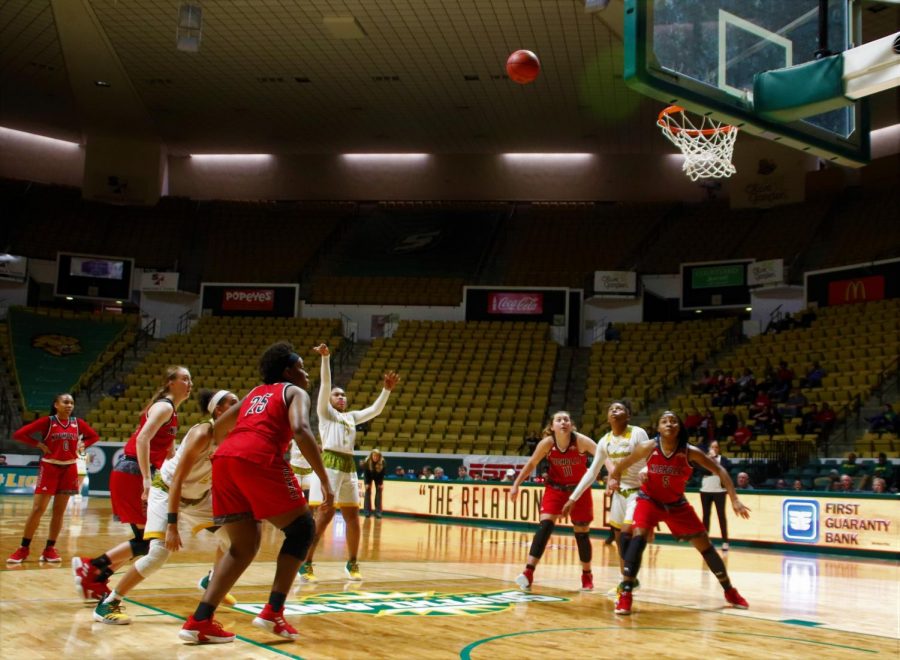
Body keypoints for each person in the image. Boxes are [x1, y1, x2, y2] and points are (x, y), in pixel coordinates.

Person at [179, 341, 333, 644]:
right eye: (301, 368)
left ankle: (199, 620)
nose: (306, 375)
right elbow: (301, 429)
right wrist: (324, 479)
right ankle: (273, 611)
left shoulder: (253, 394)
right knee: (302, 529)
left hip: (224, 459)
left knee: (243, 547)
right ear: (288, 371)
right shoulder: (294, 392)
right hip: (258, 456)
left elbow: (217, 429)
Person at [93, 389, 240, 624]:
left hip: (199, 497)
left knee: (235, 541)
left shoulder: (234, 436)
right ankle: (110, 602)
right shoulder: (203, 433)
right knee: (159, 554)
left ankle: (213, 579)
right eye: (232, 402)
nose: (239, 404)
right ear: (219, 410)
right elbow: (178, 480)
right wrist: (172, 525)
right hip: (168, 490)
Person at [608, 411, 750, 615]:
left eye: (673, 421)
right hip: (650, 500)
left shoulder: (690, 451)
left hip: (676, 504)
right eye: (664, 421)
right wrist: (614, 477)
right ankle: (626, 593)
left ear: (679, 427)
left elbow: (720, 470)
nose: (669, 423)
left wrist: (734, 498)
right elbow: (623, 463)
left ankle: (730, 591)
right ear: (658, 428)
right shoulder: (648, 447)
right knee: (637, 537)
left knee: (705, 545)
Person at [73, 366, 192, 601]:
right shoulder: (163, 407)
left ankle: (96, 578)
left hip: (137, 474)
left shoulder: (172, 412)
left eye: (190, 379)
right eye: (184, 379)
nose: (190, 383)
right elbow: (142, 439)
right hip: (133, 473)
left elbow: (170, 456)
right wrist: (148, 480)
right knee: (148, 542)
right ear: (170, 382)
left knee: (146, 542)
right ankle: (91, 566)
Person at [301, 343, 399, 584]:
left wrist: (386, 391)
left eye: (344, 394)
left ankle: (352, 562)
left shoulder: (351, 417)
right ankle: (306, 563)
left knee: (353, 517)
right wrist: (326, 358)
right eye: (337, 394)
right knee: (323, 516)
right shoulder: (325, 412)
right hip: (330, 463)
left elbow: (375, 410)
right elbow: (325, 384)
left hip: (348, 465)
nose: (341, 397)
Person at [562, 400, 649, 595]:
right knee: (619, 539)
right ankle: (626, 580)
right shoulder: (605, 441)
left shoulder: (637, 433)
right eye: (611, 408)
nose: (615, 410)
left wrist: (645, 469)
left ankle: (629, 581)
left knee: (627, 536)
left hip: (638, 492)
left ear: (628, 416)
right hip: (619, 495)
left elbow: (650, 457)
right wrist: (573, 498)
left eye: (620, 408)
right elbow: (591, 472)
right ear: (608, 417)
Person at [510, 411, 600, 592]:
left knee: (581, 532)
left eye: (566, 419)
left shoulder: (581, 440)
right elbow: (531, 463)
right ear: (552, 427)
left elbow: (602, 455)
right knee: (545, 526)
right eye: (558, 420)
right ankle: (528, 572)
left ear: (571, 425)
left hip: (579, 489)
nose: (563, 422)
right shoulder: (547, 443)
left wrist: (614, 474)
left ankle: (586, 574)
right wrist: (516, 484)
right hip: (555, 488)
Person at [7, 393, 100, 564]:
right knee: (38, 509)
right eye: (65, 402)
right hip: (49, 467)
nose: (69, 405)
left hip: (69, 468)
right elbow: (19, 434)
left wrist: (83, 444)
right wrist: (38, 444)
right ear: (56, 404)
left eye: (71, 402)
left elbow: (94, 436)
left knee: (59, 512)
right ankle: (23, 548)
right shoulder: (47, 422)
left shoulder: (77, 423)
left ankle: (50, 548)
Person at [698, 440, 733, 551]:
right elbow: (703, 471)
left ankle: (725, 542)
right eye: (712, 447)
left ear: (719, 449)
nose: (714, 449)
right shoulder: (704, 459)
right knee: (706, 516)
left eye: (716, 447)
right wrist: (715, 469)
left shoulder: (723, 460)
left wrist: (714, 465)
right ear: (709, 448)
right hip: (705, 491)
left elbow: (725, 469)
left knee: (721, 516)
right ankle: (706, 542)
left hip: (720, 492)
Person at [362, 449, 387, 518]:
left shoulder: (383, 462)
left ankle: (378, 512)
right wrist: (367, 483)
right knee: (367, 491)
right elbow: (366, 473)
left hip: (378, 476)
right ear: (371, 456)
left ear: (379, 457)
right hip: (368, 475)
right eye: (374, 456)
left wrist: (380, 483)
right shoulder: (367, 461)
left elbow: (382, 474)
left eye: (377, 456)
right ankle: (367, 512)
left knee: (379, 491)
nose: (375, 457)